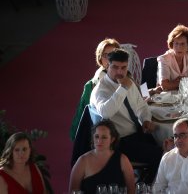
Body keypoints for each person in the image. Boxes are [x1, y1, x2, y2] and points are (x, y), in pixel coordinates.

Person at [90, 48, 162, 183]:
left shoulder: (127, 81)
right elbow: (105, 113)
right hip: (119, 141)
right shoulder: (101, 90)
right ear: (107, 66)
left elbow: (141, 106)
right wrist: (122, 88)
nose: (119, 72)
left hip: (137, 134)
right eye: (115, 67)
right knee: (160, 155)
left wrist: (145, 120)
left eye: (123, 68)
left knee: (167, 147)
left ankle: (145, 182)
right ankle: (144, 186)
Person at [69, 38, 121, 141]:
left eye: (114, 54)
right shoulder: (92, 86)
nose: (111, 59)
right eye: (106, 55)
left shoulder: (123, 77)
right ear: (100, 58)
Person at [69, 120, 135, 194]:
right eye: (97, 136)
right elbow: (73, 192)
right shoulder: (83, 161)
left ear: (112, 139)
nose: (99, 141)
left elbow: (131, 190)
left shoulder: (123, 160)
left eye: (104, 137)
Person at [157, 24, 188, 91]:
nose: (179, 47)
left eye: (182, 44)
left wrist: (186, 80)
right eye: (176, 43)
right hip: (167, 98)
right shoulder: (164, 59)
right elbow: (164, 85)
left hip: (187, 95)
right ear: (172, 44)